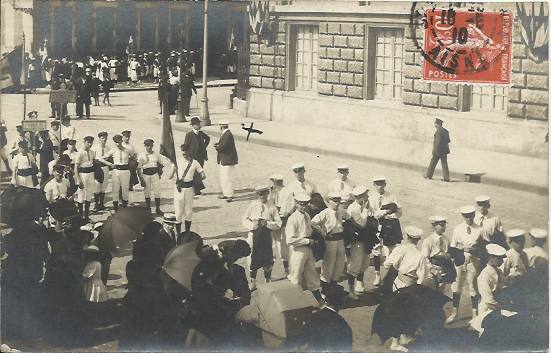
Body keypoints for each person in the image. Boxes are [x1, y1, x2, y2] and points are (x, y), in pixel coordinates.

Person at [383, 226, 427, 352]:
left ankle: (403, 337)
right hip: (410, 286)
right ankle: (396, 342)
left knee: (399, 311)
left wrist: (398, 267)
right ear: (418, 240)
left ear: (407, 237)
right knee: (404, 311)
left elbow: (386, 264)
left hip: (397, 282)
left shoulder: (400, 249)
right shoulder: (420, 256)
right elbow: (422, 276)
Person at [447, 205, 483, 323]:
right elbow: (453, 247)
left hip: (473, 262)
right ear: (463, 216)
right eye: (466, 216)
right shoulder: (458, 229)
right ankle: (455, 313)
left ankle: (475, 315)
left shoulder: (479, 229)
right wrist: (462, 251)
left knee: (473, 288)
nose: (469, 218)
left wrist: (470, 250)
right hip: (459, 261)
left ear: (474, 215)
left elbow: (481, 248)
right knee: (456, 288)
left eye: (471, 216)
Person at [242, 185, 282, 290]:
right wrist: (252, 225)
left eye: (264, 193)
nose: (262, 196)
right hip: (254, 235)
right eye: (259, 194)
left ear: (267, 193)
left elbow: (278, 223)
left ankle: (268, 280)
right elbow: (244, 219)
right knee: (252, 257)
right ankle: (253, 281)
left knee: (268, 258)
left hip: (267, 236)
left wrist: (268, 224)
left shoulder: (272, 207)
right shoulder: (252, 205)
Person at [285, 193, 322, 302]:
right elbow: (290, 240)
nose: (304, 206)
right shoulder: (292, 219)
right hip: (298, 250)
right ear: (296, 204)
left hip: (308, 248)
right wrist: (307, 241)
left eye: (306, 204)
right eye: (301, 204)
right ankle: (294, 303)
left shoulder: (306, 215)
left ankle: (319, 301)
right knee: (295, 276)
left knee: (312, 274)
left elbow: (309, 230)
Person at [369, 176, 403, 286]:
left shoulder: (391, 196)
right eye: (377, 184)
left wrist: (388, 213)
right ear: (374, 185)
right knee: (376, 250)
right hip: (376, 225)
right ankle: (377, 275)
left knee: (391, 250)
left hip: (389, 226)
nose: (380, 186)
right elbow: (373, 214)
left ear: (385, 184)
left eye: (382, 184)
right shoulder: (371, 197)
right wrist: (386, 211)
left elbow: (399, 213)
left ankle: (389, 278)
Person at [312, 192, 346, 295]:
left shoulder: (341, 211)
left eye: (338, 201)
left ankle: (333, 288)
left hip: (340, 239)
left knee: (339, 265)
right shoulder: (325, 212)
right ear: (328, 201)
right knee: (328, 265)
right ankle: (325, 292)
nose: (336, 203)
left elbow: (349, 219)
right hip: (330, 240)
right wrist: (322, 232)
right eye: (334, 201)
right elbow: (313, 222)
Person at [345, 185, 376, 299]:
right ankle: (351, 290)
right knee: (355, 264)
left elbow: (372, 218)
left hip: (366, 238)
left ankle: (360, 285)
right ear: (359, 197)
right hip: (356, 240)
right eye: (365, 195)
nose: (367, 196)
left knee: (365, 262)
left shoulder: (366, 205)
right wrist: (366, 210)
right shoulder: (353, 208)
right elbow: (361, 224)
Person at [172, 144, 206, 233]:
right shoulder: (177, 161)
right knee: (178, 213)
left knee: (188, 212)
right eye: (183, 152)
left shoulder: (195, 163)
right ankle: (178, 234)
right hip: (179, 189)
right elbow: (170, 175)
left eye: (186, 152)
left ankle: (187, 233)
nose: (184, 154)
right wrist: (173, 171)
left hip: (190, 189)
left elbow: (203, 175)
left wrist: (197, 178)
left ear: (189, 151)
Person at [268, 174, 294, 275]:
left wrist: (277, 214)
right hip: (271, 223)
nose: (274, 184)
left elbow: (287, 210)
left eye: (275, 182)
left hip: (282, 221)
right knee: (271, 247)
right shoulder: (272, 192)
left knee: (282, 247)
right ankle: (268, 273)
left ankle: (287, 270)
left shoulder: (287, 192)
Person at [98, 134, 131, 210]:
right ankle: (116, 209)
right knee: (115, 189)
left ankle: (125, 207)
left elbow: (133, 158)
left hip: (125, 171)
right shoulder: (113, 150)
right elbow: (101, 159)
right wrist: (109, 164)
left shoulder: (127, 150)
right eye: (116, 142)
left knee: (125, 189)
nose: (118, 144)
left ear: (121, 141)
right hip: (116, 171)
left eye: (119, 142)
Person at [137, 139, 169, 215]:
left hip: (155, 174)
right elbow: (138, 168)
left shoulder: (156, 154)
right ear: (145, 146)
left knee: (157, 192)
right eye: (148, 145)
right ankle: (148, 209)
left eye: (151, 145)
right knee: (147, 193)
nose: (150, 147)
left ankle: (158, 209)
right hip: (146, 175)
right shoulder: (141, 155)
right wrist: (141, 180)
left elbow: (162, 163)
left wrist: (160, 172)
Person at [476, 243, 506, 314]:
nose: (502, 261)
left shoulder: (498, 271)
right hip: (488, 310)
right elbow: (489, 301)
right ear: (491, 258)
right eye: (499, 258)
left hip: (497, 305)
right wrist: (503, 310)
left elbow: (503, 287)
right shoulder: (484, 275)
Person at [74, 136, 96, 222]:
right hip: (82, 174)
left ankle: (86, 216)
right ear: (84, 142)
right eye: (88, 142)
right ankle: (80, 216)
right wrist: (79, 180)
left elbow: (93, 163)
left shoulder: (92, 152)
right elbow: (76, 168)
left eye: (91, 142)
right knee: (81, 195)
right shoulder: (80, 153)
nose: (90, 144)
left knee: (89, 195)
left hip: (91, 174)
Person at [214, 121, 238, 202]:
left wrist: (217, 147)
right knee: (224, 177)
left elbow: (223, 147)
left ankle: (229, 195)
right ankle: (226, 193)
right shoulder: (227, 134)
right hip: (225, 159)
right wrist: (219, 144)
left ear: (221, 126)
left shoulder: (227, 134)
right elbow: (224, 144)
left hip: (227, 159)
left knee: (227, 177)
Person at [424, 117, 450, 182]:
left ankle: (428, 175)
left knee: (432, 163)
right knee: (444, 164)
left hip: (438, 151)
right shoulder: (446, 131)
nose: (434, 125)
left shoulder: (438, 131)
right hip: (444, 150)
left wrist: (434, 151)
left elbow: (437, 142)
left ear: (438, 124)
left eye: (435, 124)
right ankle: (446, 178)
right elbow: (448, 141)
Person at [92, 131, 110, 211]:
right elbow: (92, 158)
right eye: (102, 138)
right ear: (99, 139)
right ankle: (96, 204)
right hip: (97, 168)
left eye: (105, 138)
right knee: (97, 186)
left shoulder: (107, 148)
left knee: (104, 186)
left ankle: (101, 204)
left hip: (105, 168)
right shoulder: (94, 148)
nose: (104, 139)